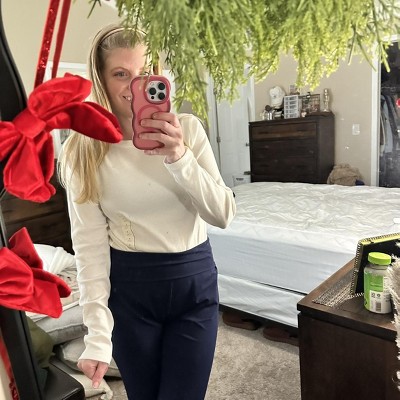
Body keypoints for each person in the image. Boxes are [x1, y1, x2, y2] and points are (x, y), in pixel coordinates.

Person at [57, 24, 236, 400]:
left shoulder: (188, 131)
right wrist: (97, 333)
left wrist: (179, 157)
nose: (134, 85)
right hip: (130, 294)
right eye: (121, 74)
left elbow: (223, 214)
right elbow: (89, 247)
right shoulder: (82, 151)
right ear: (101, 80)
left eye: (143, 73)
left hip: (194, 286)